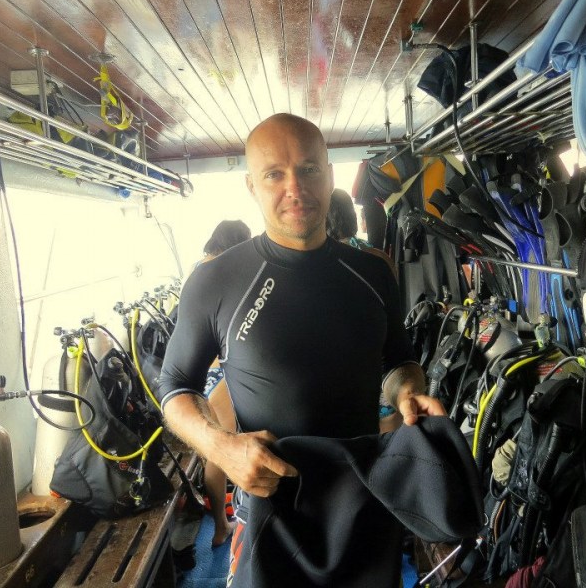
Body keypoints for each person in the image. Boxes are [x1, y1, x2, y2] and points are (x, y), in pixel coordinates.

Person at [157, 113, 445, 586]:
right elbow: (174, 385)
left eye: (309, 169)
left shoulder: (373, 272)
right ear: (252, 185)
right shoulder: (216, 280)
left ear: (329, 175)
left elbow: (399, 361)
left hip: (364, 502)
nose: (296, 188)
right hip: (271, 508)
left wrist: (407, 392)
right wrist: (222, 448)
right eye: (275, 174)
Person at [326, 188, 401, 433]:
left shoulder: (320, 262)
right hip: (380, 356)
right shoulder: (378, 257)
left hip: (340, 364)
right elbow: (394, 310)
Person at [196, 220, 251, 546]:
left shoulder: (198, 270)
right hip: (224, 373)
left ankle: (222, 523)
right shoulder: (226, 273)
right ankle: (226, 526)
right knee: (222, 452)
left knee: (214, 451)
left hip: (204, 374)